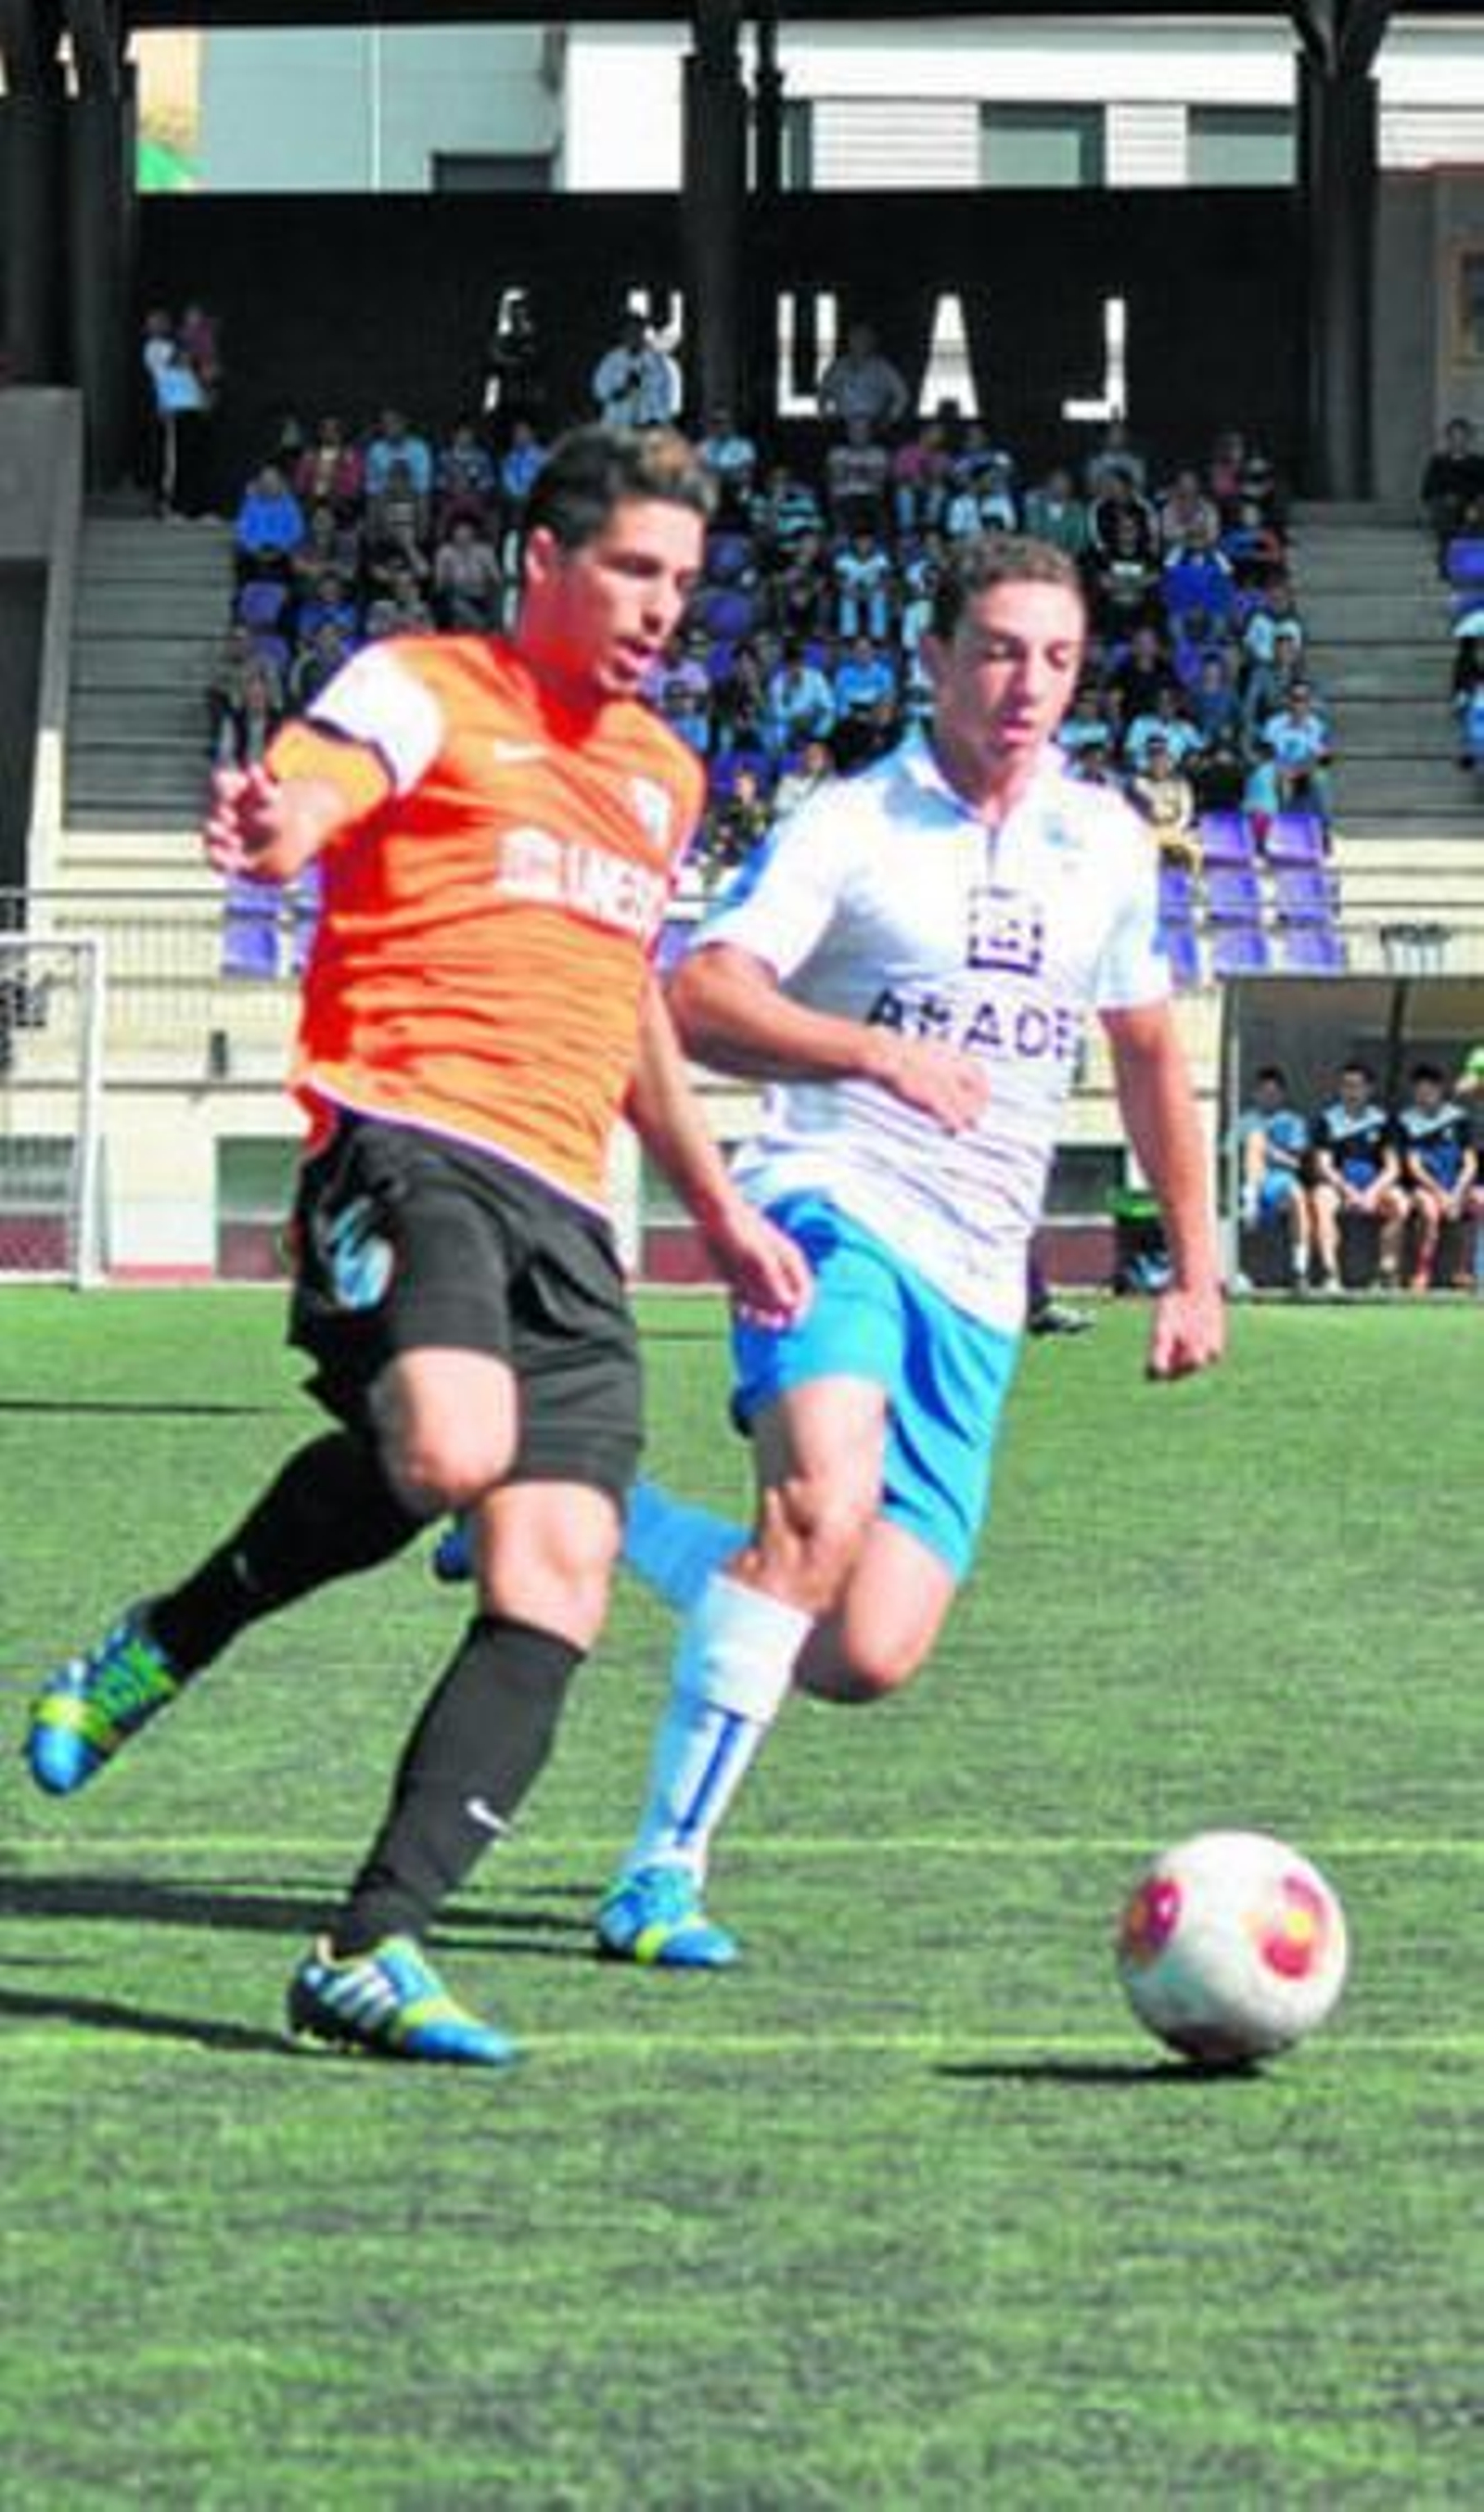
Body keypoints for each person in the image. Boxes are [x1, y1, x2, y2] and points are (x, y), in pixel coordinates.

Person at [23, 425, 810, 2069]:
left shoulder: (664, 776)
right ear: (544, 561)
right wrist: (278, 825)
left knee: (560, 1579)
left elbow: (628, 1008)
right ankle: (175, 1635)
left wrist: (720, 1205)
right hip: (407, 1138)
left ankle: (368, 1947)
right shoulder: (424, 685)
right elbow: (320, 783)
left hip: (571, 1209)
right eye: (632, 569)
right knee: (455, 1445)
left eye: (681, 579)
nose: (661, 607)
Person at [588, 533, 1225, 1968]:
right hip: (833, 1206)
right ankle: (660, 1872)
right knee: (818, 1509)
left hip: (980, 1276)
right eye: (997, 651)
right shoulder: (851, 825)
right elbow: (700, 996)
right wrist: (874, 1051)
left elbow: (1145, 1055)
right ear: (934, 657)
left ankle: (591, 1507)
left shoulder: (1108, 843)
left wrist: (1195, 1270)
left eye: (1056, 658)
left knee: (863, 1649)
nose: (1027, 684)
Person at [1309, 1059, 1406, 1293]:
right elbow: (1323, 1166)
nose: (1351, 1092)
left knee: (1400, 1202)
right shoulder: (1327, 1120)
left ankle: (1385, 1273)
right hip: (1339, 1187)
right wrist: (1348, 1190)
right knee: (1321, 1200)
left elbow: (1393, 1168)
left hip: (1374, 1187)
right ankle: (1331, 1274)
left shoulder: (1384, 1121)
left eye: (1357, 1086)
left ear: (1369, 1089)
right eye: (1346, 1085)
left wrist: (1371, 1193)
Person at [1394, 1060, 1480, 1291]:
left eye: (1430, 1090)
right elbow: (1414, 1167)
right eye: (1419, 1091)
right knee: (1429, 1209)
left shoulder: (1459, 1119)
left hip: (1457, 1187)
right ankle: (1422, 1271)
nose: (1425, 1096)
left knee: (1479, 1202)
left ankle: (1464, 1270)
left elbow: (1470, 1163)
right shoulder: (1405, 1122)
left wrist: (1457, 1193)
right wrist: (1441, 1194)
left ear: (1441, 1090)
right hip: (1424, 1189)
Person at [1235, 1065, 1311, 1291]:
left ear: (1282, 1095)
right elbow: (1225, 1155)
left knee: (1298, 1196)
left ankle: (1300, 1270)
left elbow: (1297, 1163)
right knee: (1254, 1138)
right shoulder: (1244, 1121)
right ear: (1255, 1094)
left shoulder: (1293, 1121)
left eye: (1274, 1093)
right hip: (1245, 1182)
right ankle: (1250, 1200)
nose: (1268, 1098)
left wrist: (1269, 1152)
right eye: (1264, 1092)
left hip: (1280, 1183)